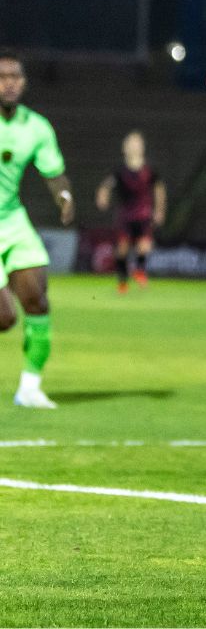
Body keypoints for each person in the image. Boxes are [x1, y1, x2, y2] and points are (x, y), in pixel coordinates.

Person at [0, 50, 75, 409]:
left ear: (25, 83)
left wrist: (64, 197)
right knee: (4, 317)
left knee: (36, 299)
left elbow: (53, 172)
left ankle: (29, 387)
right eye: (2, 76)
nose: (9, 83)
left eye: (15, 76)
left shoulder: (36, 127)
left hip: (12, 221)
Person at [95, 131, 167, 293]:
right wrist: (102, 197)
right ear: (124, 148)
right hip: (125, 215)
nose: (134, 147)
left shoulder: (150, 170)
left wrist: (159, 210)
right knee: (122, 248)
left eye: (137, 144)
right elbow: (106, 186)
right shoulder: (120, 171)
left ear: (142, 147)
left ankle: (139, 270)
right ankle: (122, 281)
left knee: (145, 246)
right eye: (131, 144)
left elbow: (159, 189)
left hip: (144, 214)